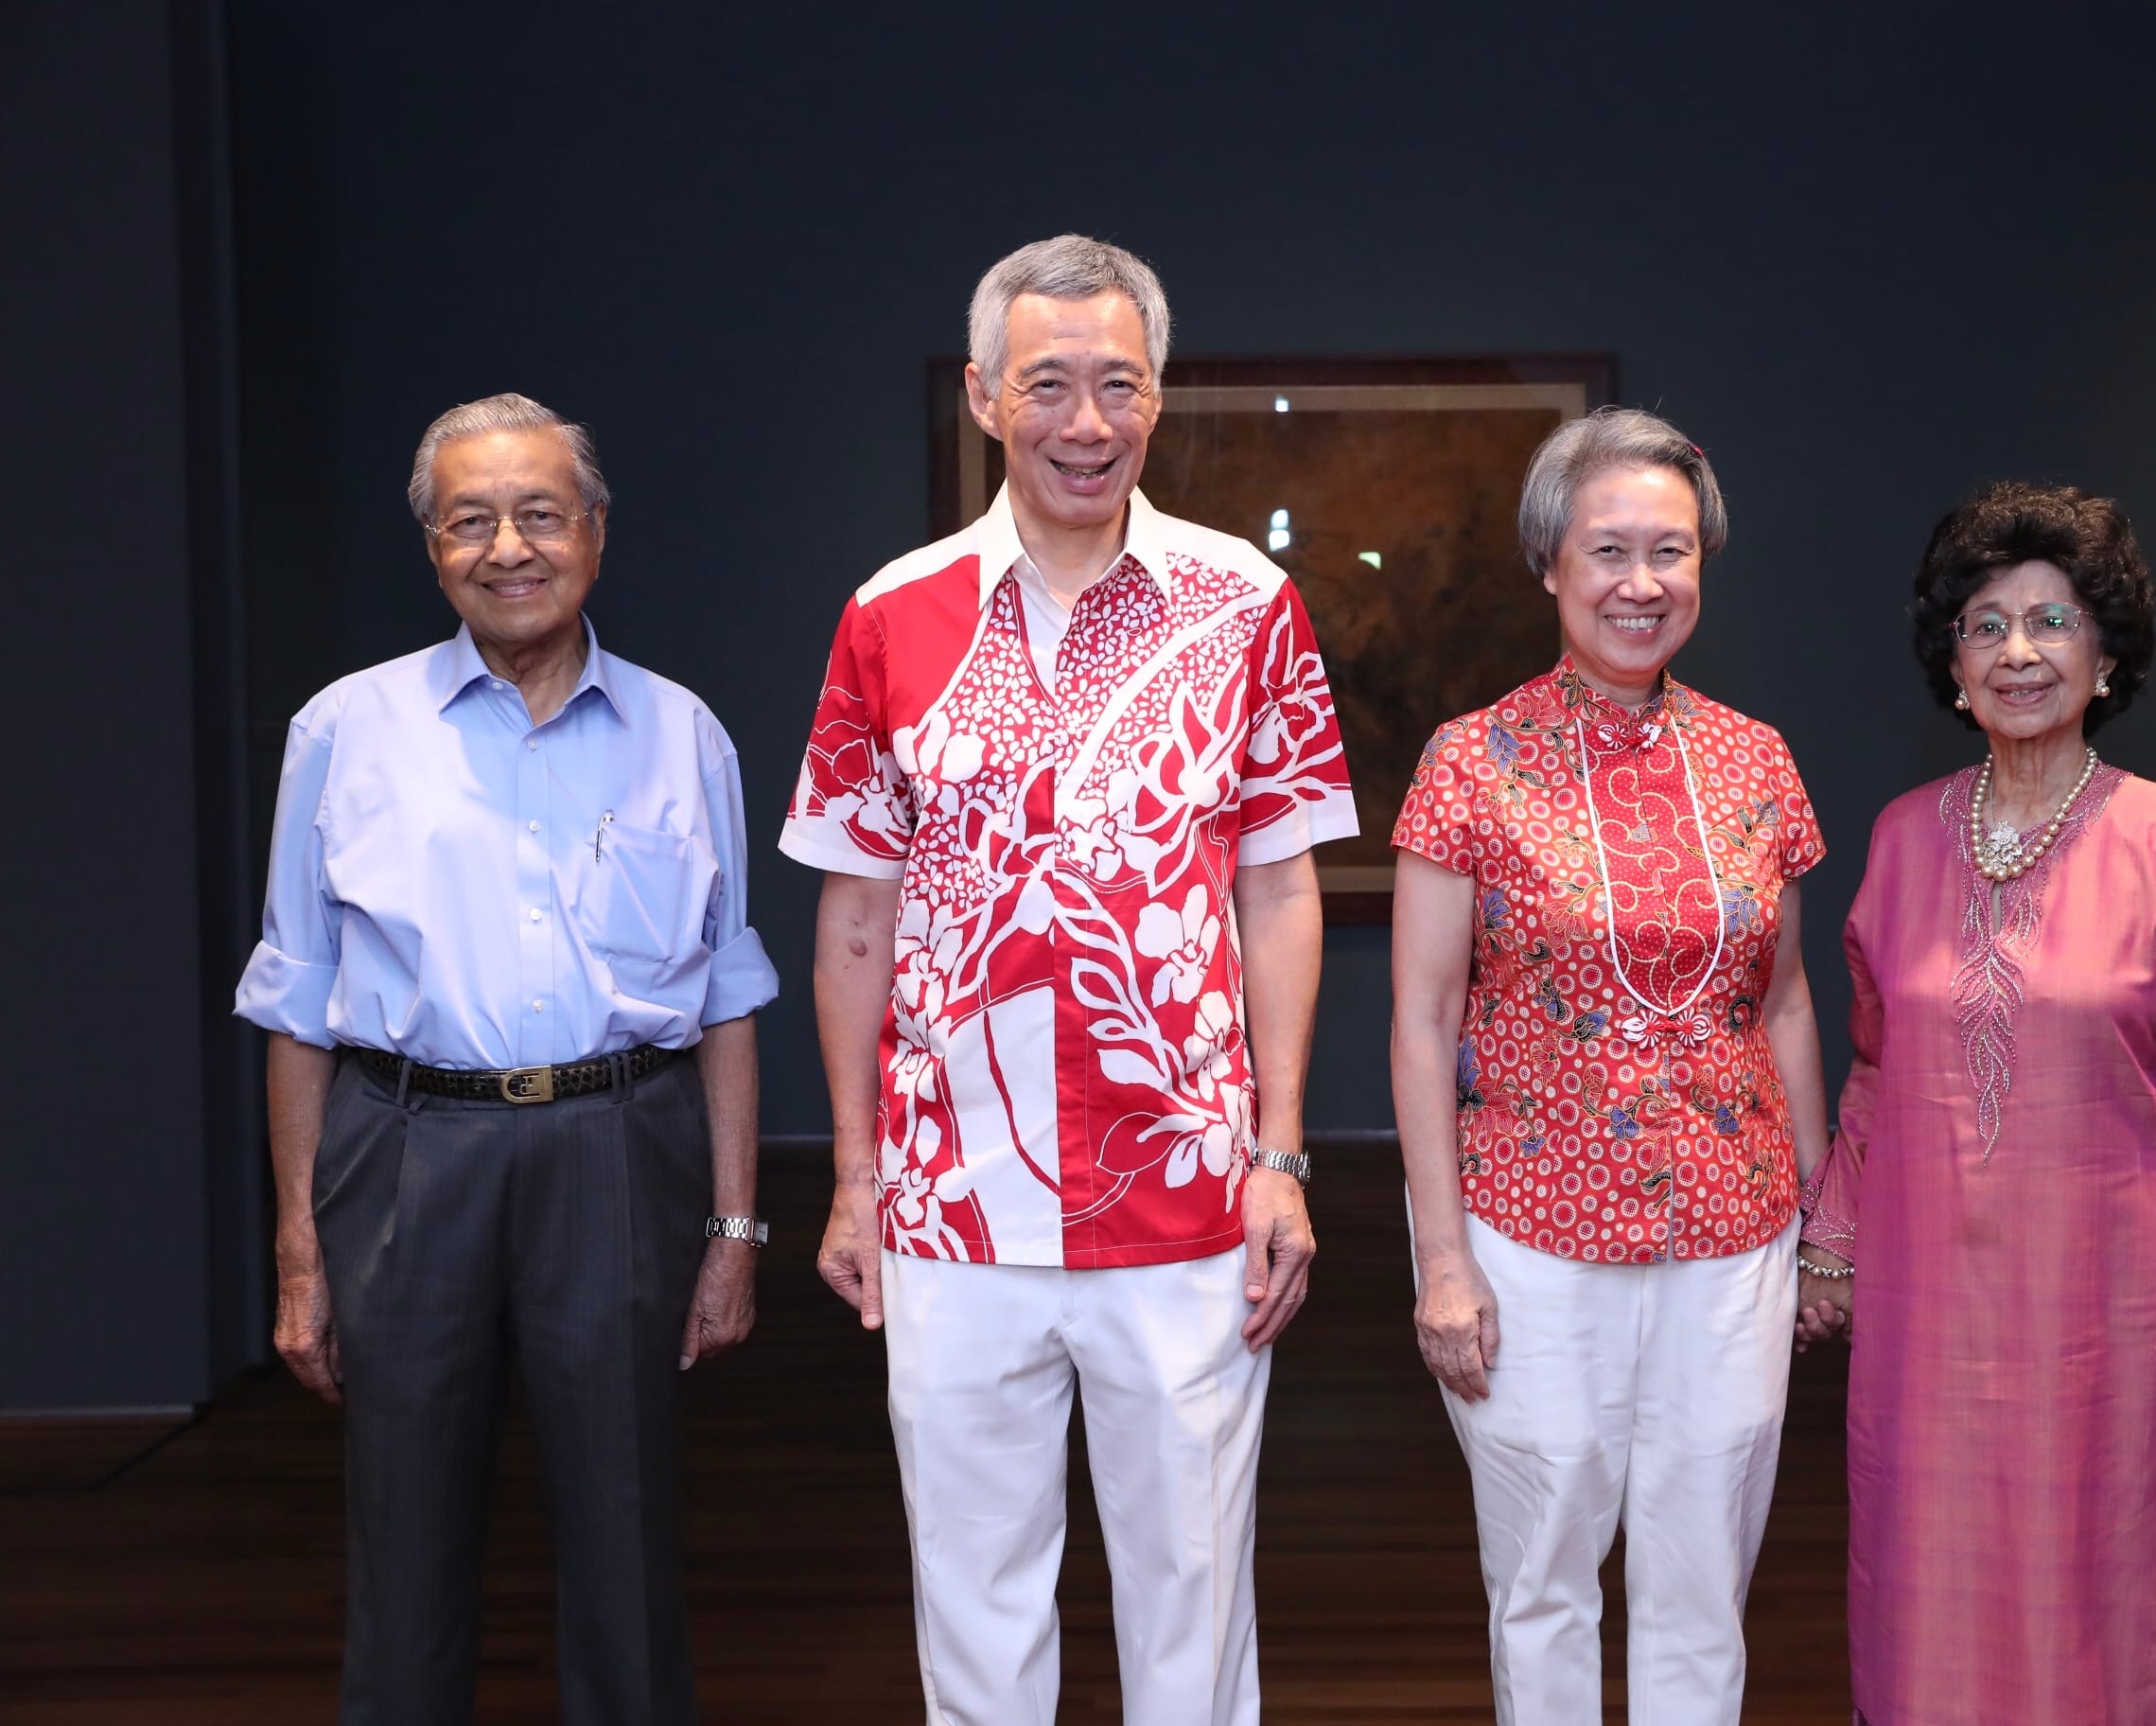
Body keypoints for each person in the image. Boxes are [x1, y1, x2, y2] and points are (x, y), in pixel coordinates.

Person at [781, 234, 1357, 1726]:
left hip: (1186, 1191)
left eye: (1119, 385)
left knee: (1193, 1595)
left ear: (1159, 398)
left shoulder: (1245, 605)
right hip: (951, 1197)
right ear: (986, 398)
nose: (1086, 423)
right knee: (972, 1599)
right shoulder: (888, 614)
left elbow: (1279, 886)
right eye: (1050, 386)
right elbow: (856, 917)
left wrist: (1283, 1156)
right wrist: (854, 1173)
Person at [237, 393, 779, 1724]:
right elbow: (298, 1001)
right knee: (403, 1530)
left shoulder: (682, 733)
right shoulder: (343, 732)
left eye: (540, 514)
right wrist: (302, 1258)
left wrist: (734, 1229)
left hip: (617, 1145)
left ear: (595, 533)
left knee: (628, 1528)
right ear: (431, 550)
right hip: (407, 1150)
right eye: (468, 520)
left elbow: (723, 1000)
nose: (508, 547)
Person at [1795, 481, 2156, 1724]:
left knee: (2127, 1601)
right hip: (1929, 1328)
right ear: (1953, 664)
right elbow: (1874, 1066)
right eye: (1986, 624)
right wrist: (1831, 1246)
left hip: (2117, 1325)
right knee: (1928, 1600)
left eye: (2054, 621)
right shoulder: (1906, 837)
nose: (2019, 651)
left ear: (2107, 653)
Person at [1388, 407, 1828, 1721]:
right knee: (1543, 1577)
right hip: (1529, 1235)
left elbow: (1789, 1002)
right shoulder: (1471, 761)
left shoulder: (1757, 760)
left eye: (1672, 552)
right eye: (1609, 550)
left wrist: (1825, 1224)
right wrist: (1444, 1259)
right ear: (1550, 566)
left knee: (1705, 1580)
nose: (1643, 584)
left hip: (1735, 1232)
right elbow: (1419, 1021)